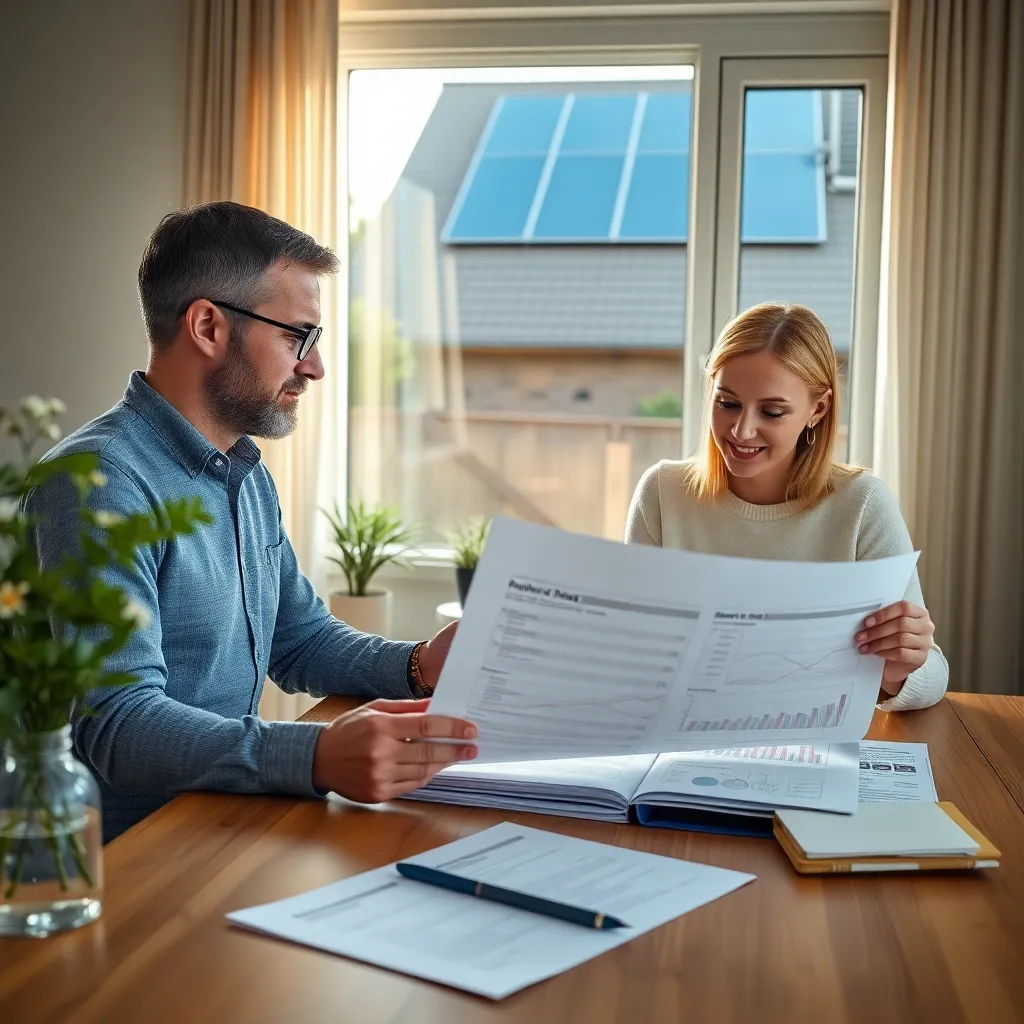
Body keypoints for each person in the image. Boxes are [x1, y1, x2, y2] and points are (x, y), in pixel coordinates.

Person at [28, 201, 477, 842]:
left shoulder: (244, 472)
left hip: (217, 828)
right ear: (208, 326)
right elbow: (117, 722)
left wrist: (418, 664)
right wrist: (315, 756)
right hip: (125, 871)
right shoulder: (94, 484)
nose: (315, 366)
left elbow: (298, 640)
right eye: (299, 336)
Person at [626, 302, 948, 711]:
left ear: (818, 409)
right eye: (727, 403)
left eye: (772, 411)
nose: (741, 430)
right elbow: (635, 652)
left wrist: (896, 671)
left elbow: (933, 671)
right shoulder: (662, 493)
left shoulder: (861, 505)